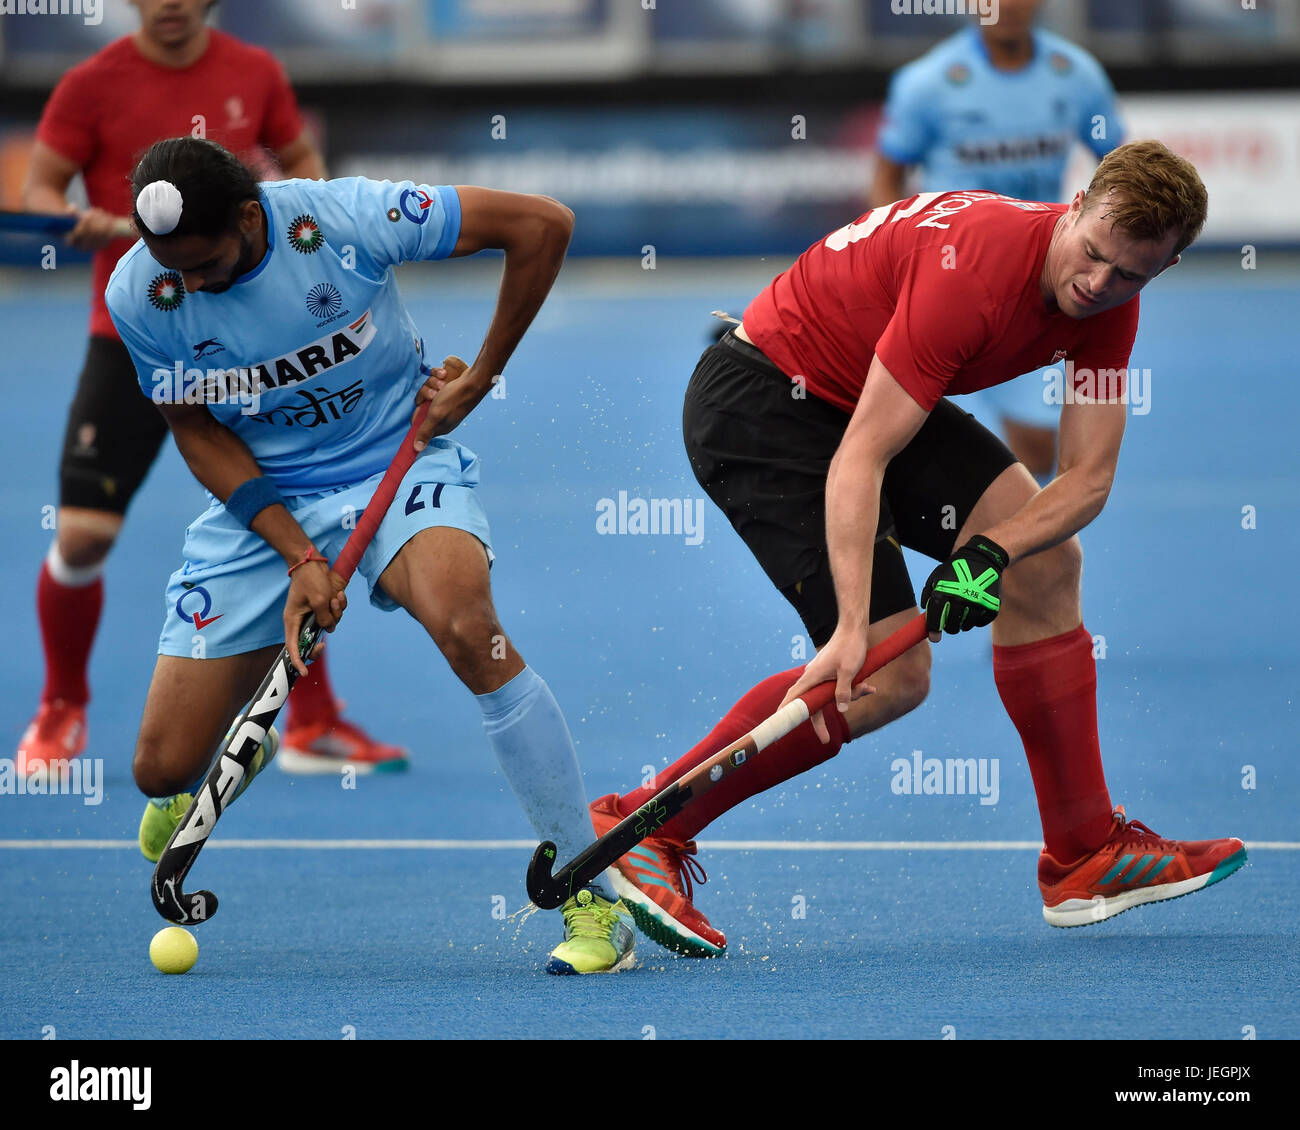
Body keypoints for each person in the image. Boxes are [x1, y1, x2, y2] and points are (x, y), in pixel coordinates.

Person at [592, 140, 1245, 958]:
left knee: (1045, 564)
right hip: (766, 405)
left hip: (870, 394)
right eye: (1093, 257)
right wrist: (852, 631)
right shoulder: (972, 274)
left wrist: (990, 555)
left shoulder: (1114, 301)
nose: (1098, 286)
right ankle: (643, 826)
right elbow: (860, 454)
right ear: (1076, 206)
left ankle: (1084, 855)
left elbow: (1086, 481)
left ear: (1167, 266)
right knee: (887, 677)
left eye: (1131, 276)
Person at [107, 136, 634, 974]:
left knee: (469, 629)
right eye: (176, 268)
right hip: (266, 497)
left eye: (207, 265)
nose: (191, 286)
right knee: (160, 765)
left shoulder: (343, 218)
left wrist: (480, 376)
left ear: (250, 216)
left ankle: (588, 892)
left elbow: (543, 224)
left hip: (398, 453)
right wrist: (295, 555)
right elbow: (196, 431)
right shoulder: (144, 292)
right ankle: (218, 744)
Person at [17, 0, 406, 778]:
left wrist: (294, 240)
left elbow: (307, 172)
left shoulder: (255, 71)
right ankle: (61, 706)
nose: (168, 3)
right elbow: (38, 192)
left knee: (291, 517)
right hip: (135, 338)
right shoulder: (90, 84)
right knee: (84, 535)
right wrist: (72, 222)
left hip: (258, 339)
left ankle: (311, 720)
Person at [870, 0, 1123, 478]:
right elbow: (887, 176)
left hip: (1034, 281)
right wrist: (890, 259)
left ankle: (1000, 547)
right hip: (944, 276)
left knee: (1037, 449)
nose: (1007, 6)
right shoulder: (928, 81)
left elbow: (1117, 165)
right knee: (896, 434)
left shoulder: (1077, 74)